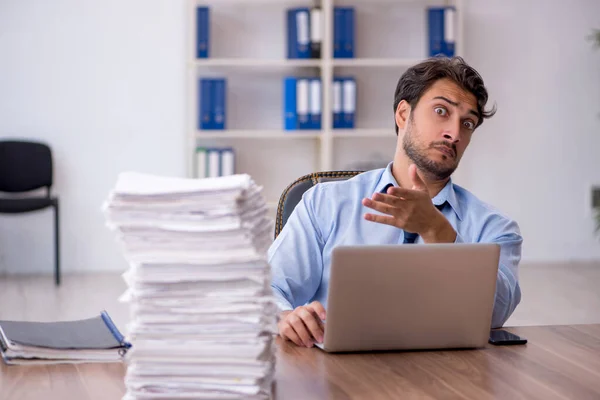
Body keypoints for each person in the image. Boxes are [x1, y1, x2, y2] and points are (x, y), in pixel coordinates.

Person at [268, 56, 522, 348]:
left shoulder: (495, 228)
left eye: (467, 123)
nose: (454, 133)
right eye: (441, 111)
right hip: (339, 376)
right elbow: (269, 289)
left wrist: (437, 231)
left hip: (449, 376)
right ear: (403, 114)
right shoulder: (324, 203)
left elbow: (496, 315)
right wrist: (284, 317)